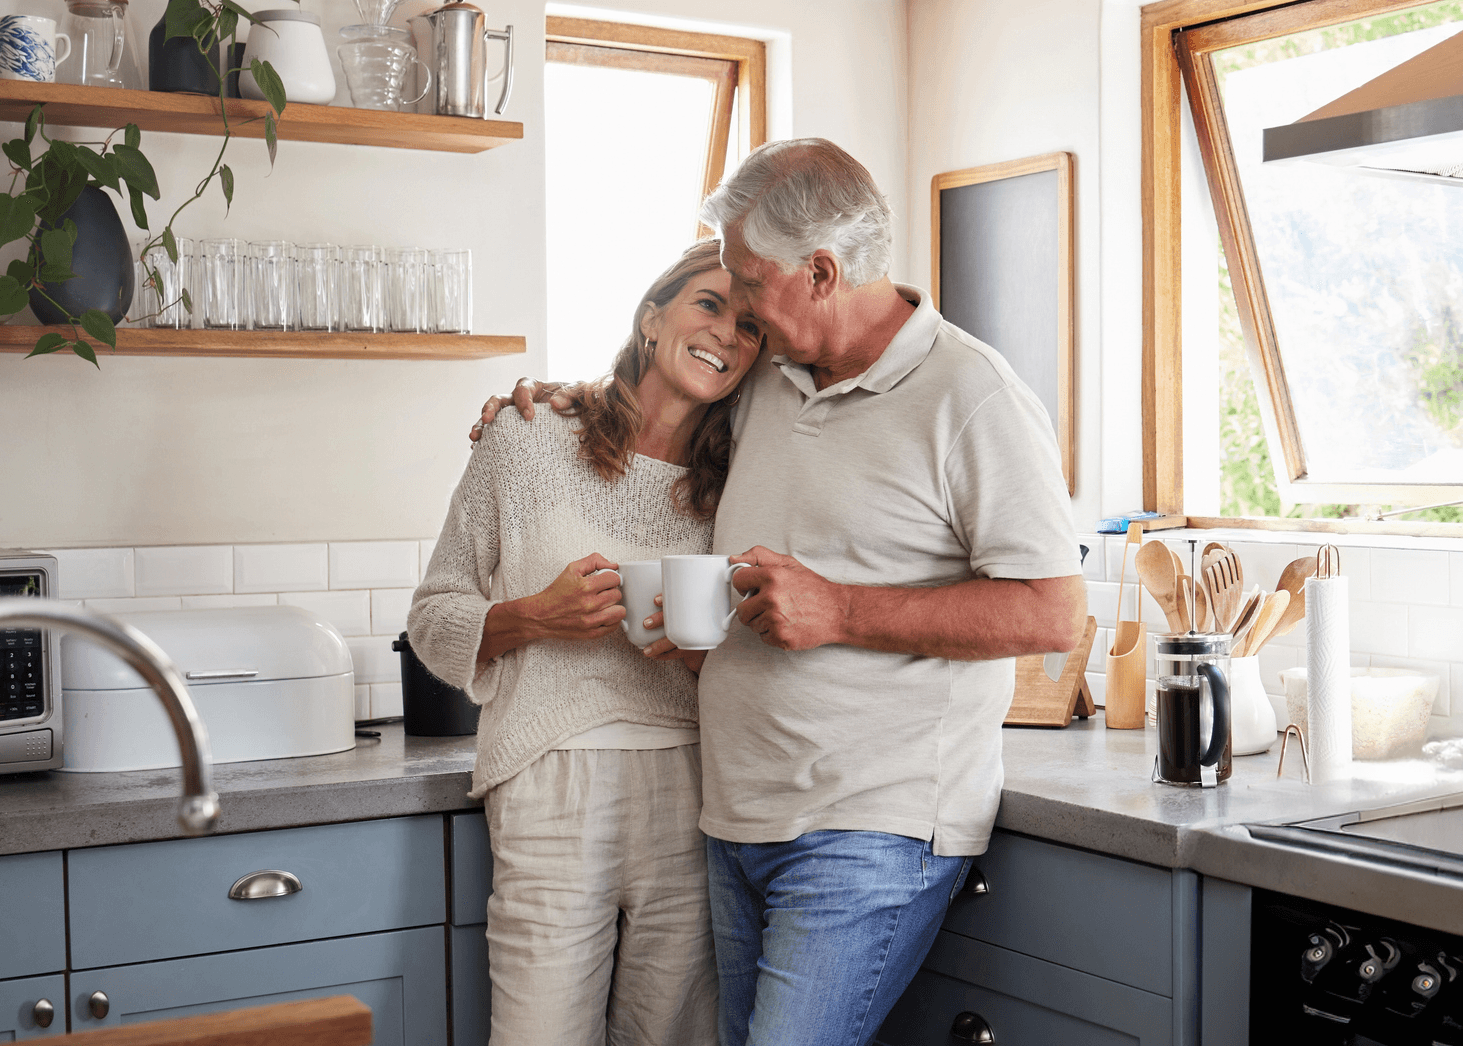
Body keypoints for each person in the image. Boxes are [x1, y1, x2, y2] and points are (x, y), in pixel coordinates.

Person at [479, 137, 1085, 1046]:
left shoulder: (973, 396)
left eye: (752, 284)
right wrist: (555, 401)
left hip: (871, 829)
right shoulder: (772, 375)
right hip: (737, 816)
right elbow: (670, 382)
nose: (743, 315)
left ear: (821, 272)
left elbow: (1052, 612)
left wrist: (841, 610)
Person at [410, 239, 762, 1046]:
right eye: (708, 304)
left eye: (750, 325)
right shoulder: (529, 438)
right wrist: (536, 616)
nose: (726, 334)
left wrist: (702, 650)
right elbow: (432, 617)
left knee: (674, 1037)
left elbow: (758, 648)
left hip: (695, 784)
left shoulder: (744, 476)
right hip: (549, 780)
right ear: (652, 319)